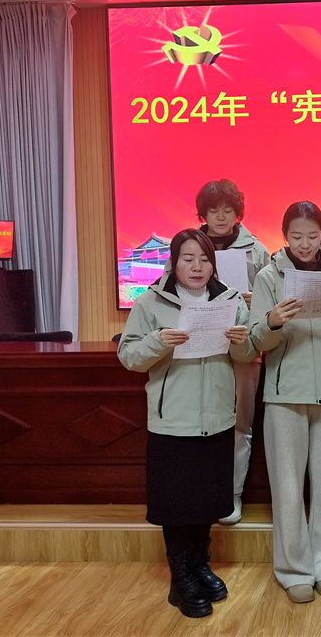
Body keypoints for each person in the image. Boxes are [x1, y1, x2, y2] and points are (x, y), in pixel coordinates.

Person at [117, 228, 257, 618]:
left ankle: (199, 564)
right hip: (173, 420)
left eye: (204, 259)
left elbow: (246, 356)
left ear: (214, 263)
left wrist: (241, 341)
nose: (197, 267)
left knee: (206, 499)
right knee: (177, 504)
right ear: (173, 262)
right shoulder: (151, 302)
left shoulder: (229, 300)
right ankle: (180, 579)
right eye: (188, 258)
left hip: (217, 416)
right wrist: (159, 341)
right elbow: (129, 357)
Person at [249, 202, 321, 604]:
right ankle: (294, 570)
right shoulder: (268, 276)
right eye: (296, 236)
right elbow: (255, 340)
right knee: (288, 486)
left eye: (312, 236)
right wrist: (272, 321)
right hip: (284, 394)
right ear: (284, 236)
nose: (305, 244)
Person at [195, 179, 271, 525]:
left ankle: (232, 495)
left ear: (238, 213)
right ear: (203, 214)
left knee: (241, 424)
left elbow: (274, 302)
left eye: (228, 210)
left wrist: (257, 300)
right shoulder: (188, 247)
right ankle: (204, 492)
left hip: (243, 346)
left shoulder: (257, 250)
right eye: (214, 211)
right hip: (200, 347)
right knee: (202, 422)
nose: (221, 217)